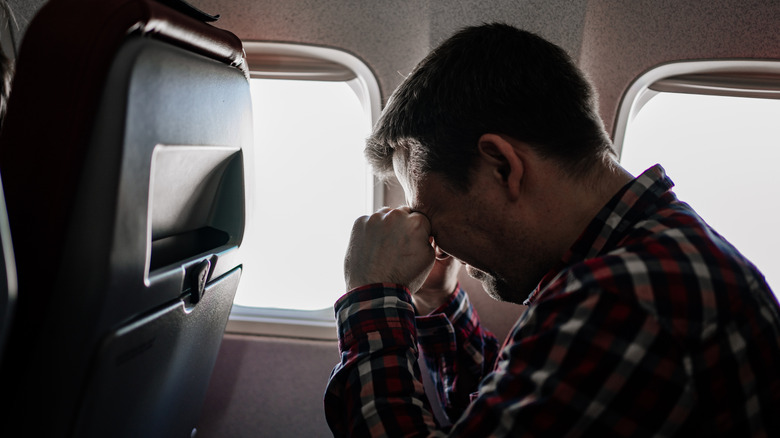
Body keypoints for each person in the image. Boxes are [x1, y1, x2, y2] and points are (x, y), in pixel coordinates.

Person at [325, 22, 780, 437]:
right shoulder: (649, 249)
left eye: (431, 215)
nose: (436, 242)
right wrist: (438, 303)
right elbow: (519, 406)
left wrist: (372, 297)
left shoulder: (622, 298)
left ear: (503, 166)